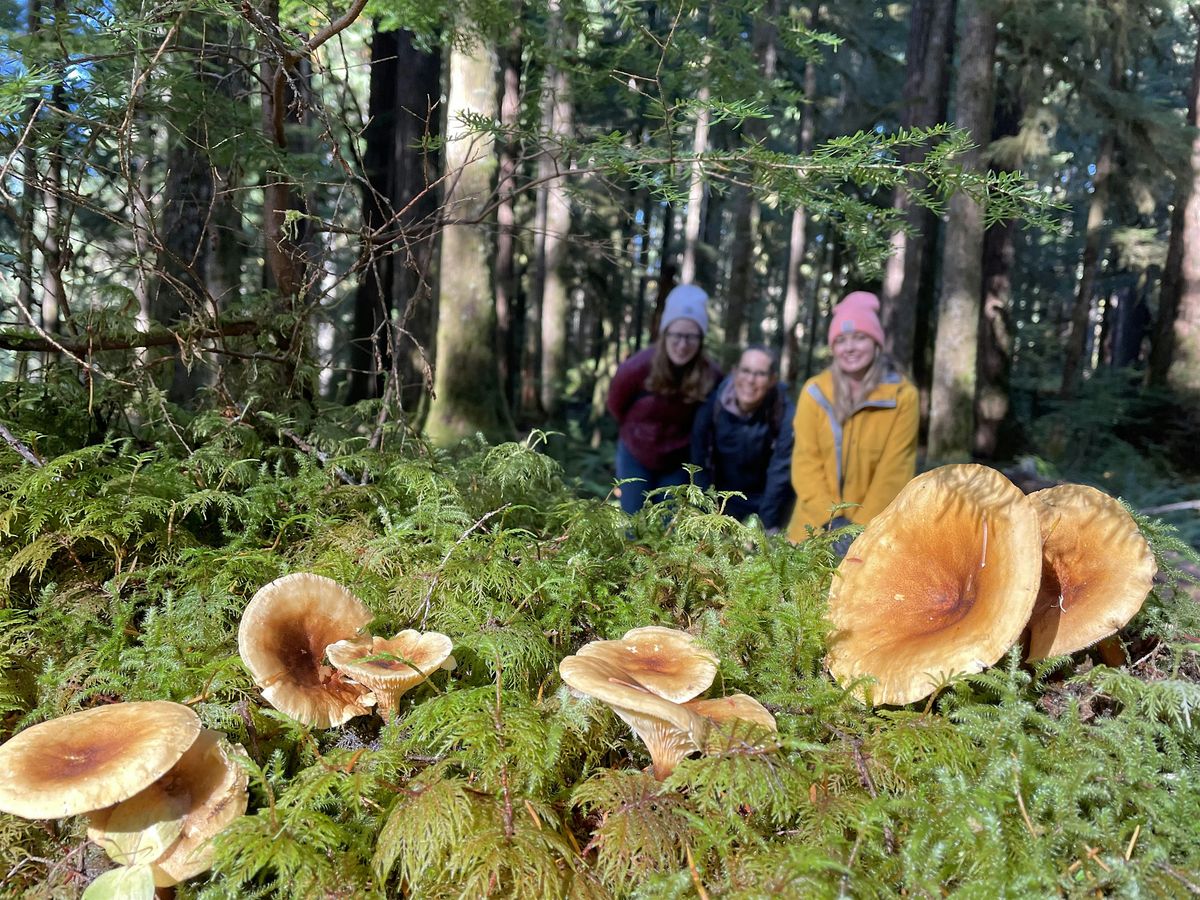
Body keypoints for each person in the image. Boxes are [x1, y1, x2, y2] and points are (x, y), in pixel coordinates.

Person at [786, 291, 918, 545]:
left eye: (859, 338)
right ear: (833, 347)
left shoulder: (902, 396)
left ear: (876, 343)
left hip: (873, 534)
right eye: (841, 340)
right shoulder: (814, 392)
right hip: (811, 529)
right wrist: (831, 521)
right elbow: (805, 463)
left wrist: (859, 530)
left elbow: (895, 471)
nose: (850, 348)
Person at [607, 284, 721, 515]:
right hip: (635, 452)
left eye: (691, 337)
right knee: (634, 521)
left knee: (667, 520)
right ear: (665, 333)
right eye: (677, 335)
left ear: (700, 339)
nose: (682, 345)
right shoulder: (636, 369)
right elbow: (616, 406)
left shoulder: (711, 374)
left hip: (678, 460)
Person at [691, 345, 795, 531]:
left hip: (767, 504)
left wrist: (764, 526)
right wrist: (709, 517)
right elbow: (699, 465)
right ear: (734, 372)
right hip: (721, 501)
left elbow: (780, 473)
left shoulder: (783, 413)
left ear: (772, 380)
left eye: (760, 374)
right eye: (745, 371)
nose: (750, 380)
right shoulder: (711, 406)